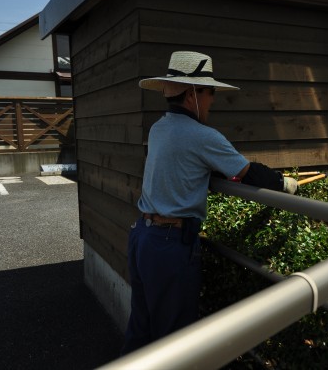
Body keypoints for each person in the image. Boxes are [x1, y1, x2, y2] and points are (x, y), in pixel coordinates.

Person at [121, 51, 298, 354]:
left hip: (142, 236)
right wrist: (284, 184)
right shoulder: (202, 136)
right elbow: (247, 172)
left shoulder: (159, 128)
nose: (214, 100)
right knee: (174, 343)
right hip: (169, 245)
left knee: (141, 329)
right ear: (193, 94)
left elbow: (183, 167)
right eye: (211, 92)